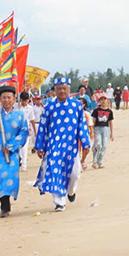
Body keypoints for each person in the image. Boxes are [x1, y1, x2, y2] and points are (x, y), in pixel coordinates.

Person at [34, 77, 91, 212]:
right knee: (55, 172)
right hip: (53, 147)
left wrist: (85, 142)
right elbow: (42, 127)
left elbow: (82, 125)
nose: (62, 91)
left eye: (64, 88)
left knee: (75, 174)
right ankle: (59, 202)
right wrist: (40, 146)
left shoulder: (76, 106)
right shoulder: (49, 107)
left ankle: (71, 191)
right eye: (59, 89)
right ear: (55, 90)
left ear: (69, 90)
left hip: (71, 147)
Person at [0, 85, 29, 218]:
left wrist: (11, 146)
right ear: (0, 99)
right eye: (3, 98)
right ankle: (4, 205)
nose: (6, 100)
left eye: (9, 97)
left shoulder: (20, 115)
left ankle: (6, 204)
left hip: (12, 153)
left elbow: (24, 132)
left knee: (9, 177)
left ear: (14, 99)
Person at [91, 95, 115, 169]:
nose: (103, 101)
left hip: (106, 129)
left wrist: (111, 133)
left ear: (107, 101)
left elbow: (110, 122)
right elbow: (93, 121)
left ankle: (100, 161)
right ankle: (95, 161)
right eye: (101, 100)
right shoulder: (96, 110)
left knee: (104, 146)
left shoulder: (109, 111)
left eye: (104, 100)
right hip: (97, 128)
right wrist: (91, 131)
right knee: (98, 145)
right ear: (100, 101)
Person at [16, 92, 36, 171]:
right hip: (16, 130)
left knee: (24, 147)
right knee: (18, 148)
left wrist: (34, 130)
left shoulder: (30, 108)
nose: (24, 102)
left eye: (25, 101)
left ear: (28, 100)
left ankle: (24, 165)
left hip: (25, 129)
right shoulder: (16, 107)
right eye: (22, 101)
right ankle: (19, 161)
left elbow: (32, 119)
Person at [79, 97, 94, 171]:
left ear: (84, 105)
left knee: (87, 149)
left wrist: (91, 133)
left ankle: (82, 160)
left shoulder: (86, 114)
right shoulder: (73, 113)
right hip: (76, 135)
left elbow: (90, 124)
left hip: (85, 133)